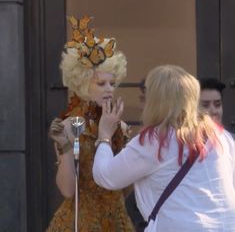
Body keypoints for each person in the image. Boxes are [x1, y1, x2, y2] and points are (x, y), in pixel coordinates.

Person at [93, 65, 235, 232]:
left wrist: (104, 136)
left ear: (155, 100)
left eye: (145, 96)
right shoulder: (221, 136)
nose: (142, 103)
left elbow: (106, 176)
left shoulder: (154, 141)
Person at [46, 15, 134, 232]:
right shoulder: (69, 127)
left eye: (113, 83)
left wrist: (124, 142)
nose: (109, 89)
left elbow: (125, 188)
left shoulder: (121, 128)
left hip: (116, 222)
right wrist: (64, 147)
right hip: (79, 223)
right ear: (83, 83)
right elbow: (67, 190)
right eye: (101, 83)